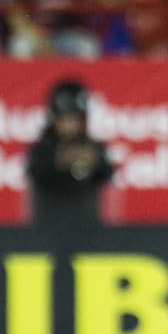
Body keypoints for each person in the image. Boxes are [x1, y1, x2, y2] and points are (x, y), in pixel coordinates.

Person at [26, 80, 113, 229]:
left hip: (89, 229)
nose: (70, 125)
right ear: (54, 119)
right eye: (65, 119)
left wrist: (94, 162)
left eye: (75, 119)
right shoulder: (42, 150)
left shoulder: (93, 148)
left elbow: (107, 174)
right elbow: (36, 172)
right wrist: (59, 160)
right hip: (48, 228)